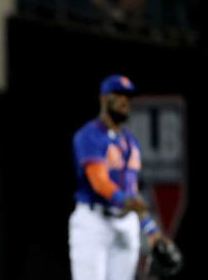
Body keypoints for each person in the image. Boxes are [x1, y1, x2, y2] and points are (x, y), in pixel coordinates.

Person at [68, 75, 164, 280]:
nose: (124, 101)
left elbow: (132, 189)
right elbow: (99, 182)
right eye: (118, 95)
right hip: (93, 221)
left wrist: (151, 229)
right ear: (104, 99)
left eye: (128, 97)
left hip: (125, 222)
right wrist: (125, 201)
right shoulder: (89, 135)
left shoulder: (130, 142)